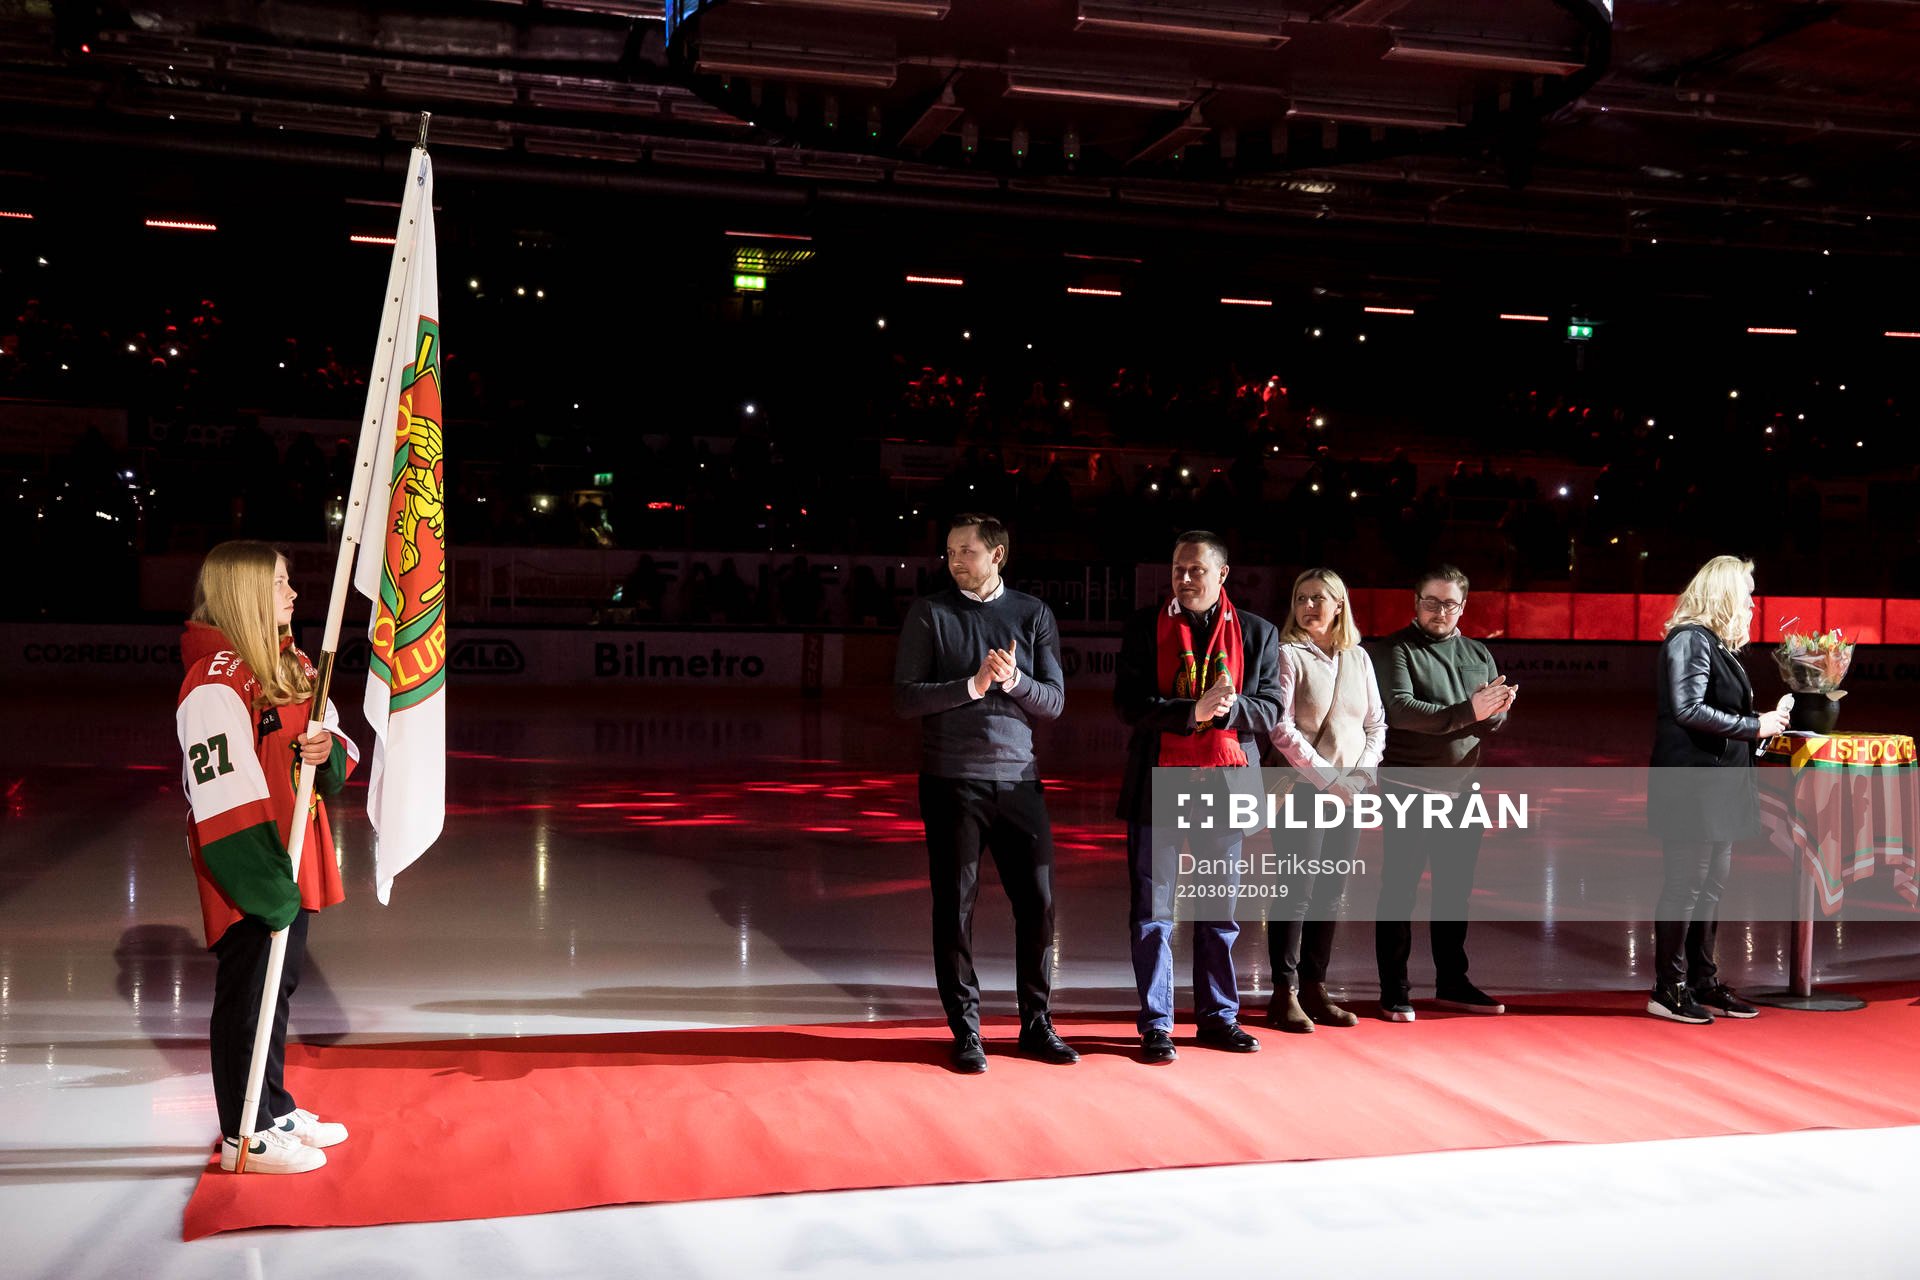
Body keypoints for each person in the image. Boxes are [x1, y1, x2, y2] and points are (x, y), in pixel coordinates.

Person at [177, 541, 357, 1173]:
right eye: (280, 583)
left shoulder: (290, 661)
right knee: (249, 990)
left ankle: (271, 1106)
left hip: (290, 851)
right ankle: (243, 1133)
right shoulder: (215, 681)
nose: (293, 593)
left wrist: (324, 751)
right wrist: (264, 883)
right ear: (245, 592)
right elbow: (223, 799)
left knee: (278, 983)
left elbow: (332, 736)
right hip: (252, 863)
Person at [894, 514, 1075, 1073]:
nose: (954, 561)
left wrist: (1013, 681)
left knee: (1039, 904)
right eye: (950, 552)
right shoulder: (930, 613)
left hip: (1019, 780)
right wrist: (972, 685)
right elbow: (906, 698)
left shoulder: (1032, 614)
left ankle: (1036, 1022)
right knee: (955, 907)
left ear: (997, 555)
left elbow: (1054, 702)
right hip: (951, 782)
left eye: (966, 551)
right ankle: (966, 1029)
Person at [1115, 532, 1281, 1064]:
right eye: (1177, 569)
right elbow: (1128, 704)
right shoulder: (1144, 627)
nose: (1184, 579)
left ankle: (1218, 1017)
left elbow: (1271, 709)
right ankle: (1156, 1024)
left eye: (1196, 570)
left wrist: (1227, 710)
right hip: (1159, 781)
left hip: (1225, 783)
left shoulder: (1257, 632)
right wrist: (1192, 713)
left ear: (1222, 574)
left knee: (1219, 909)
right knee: (1153, 911)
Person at [1646, 555, 1788, 1023]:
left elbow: (1714, 714)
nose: (1752, 602)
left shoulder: (1714, 644)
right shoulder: (1690, 639)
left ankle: (1701, 981)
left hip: (1717, 788)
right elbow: (1687, 710)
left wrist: (1760, 726)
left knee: (1710, 886)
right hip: (1692, 788)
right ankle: (1668, 988)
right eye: (1747, 592)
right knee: (1686, 886)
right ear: (1724, 593)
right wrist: (1754, 725)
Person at [1374, 565, 1515, 1022]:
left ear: (1463, 606)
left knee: (1455, 891)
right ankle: (1394, 988)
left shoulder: (1477, 652)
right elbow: (1402, 711)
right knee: (1400, 890)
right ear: (1416, 602)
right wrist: (1470, 711)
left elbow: (1493, 718)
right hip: (1408, 786)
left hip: (1463, 790)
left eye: (1449, 603)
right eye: (1431, 602)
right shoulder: (1396, 649)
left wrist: (1493, 710)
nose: (1439, 611)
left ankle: (1453, 981)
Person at [1263, 567, 1385, 1033]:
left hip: (1348, 794)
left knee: (1331, 892)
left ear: (1339, 605)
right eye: (1301, 598)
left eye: (1318, 598)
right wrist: (1328, 778)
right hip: (1301, 790)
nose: (1309, 606)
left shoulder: (1359, 658)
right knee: (1297, 890)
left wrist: (1360, 776)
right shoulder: (1287, 654)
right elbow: (1281, 727)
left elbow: (1375, 723)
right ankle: (1284, 992)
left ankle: (1316, 986)